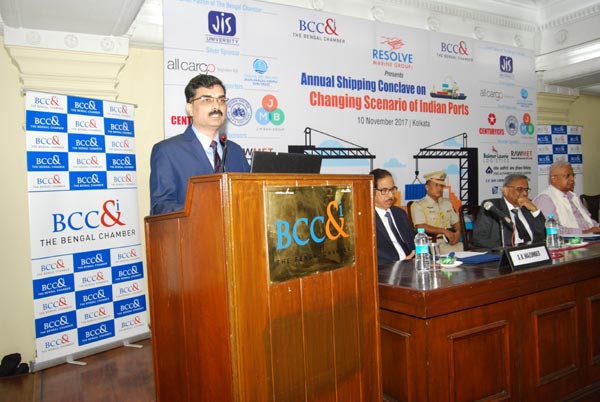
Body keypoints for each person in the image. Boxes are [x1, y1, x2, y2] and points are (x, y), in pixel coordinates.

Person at [150, 74, 250, 214]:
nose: (216, 106)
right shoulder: (167, 151)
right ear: (190, 108)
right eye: (207, 100)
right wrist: (204, 213)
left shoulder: (235, 151)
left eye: (221, 100)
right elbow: (161, 206)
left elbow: (250, 196)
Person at [473, 174, 546, 249]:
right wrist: (505, 249)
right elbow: (479, 238)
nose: (525, 193)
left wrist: (535, 210)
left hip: (532, 250)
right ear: (505, 190)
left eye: (526, 190)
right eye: (519, 189)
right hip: (506, 252)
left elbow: (544, 234)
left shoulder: (527, 207)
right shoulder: (492, 207)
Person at [533, 161, 600, 234]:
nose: (572, 179)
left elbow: (589, 220)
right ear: (554, 178)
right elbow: (552, 228)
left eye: (573, 175)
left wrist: (597, 227)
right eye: (567, 176)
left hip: (590, 237)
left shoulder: (573, 196)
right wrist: (584, 232)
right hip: (571, 240)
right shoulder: (545, 199)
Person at [410, 170, 462, 253]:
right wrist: (443, 231)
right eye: (436, 185)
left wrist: (458, 232)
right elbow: (420, 226)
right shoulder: (419, 205)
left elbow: (456, 222)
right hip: (433, 243)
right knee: (462, 252)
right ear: (427, 187)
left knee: (470, 250)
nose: (440, 188)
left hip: (451, 242)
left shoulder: (447, 202)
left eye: (441, 186)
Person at [371, 168, 415, 264]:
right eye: (384, 190)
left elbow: (413, 242)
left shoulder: (400, 213)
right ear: (372, 191)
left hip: (410, 265)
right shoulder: (366, 219)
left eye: (392, 189)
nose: (391, 195)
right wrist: (399, 264)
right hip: (387, 269)